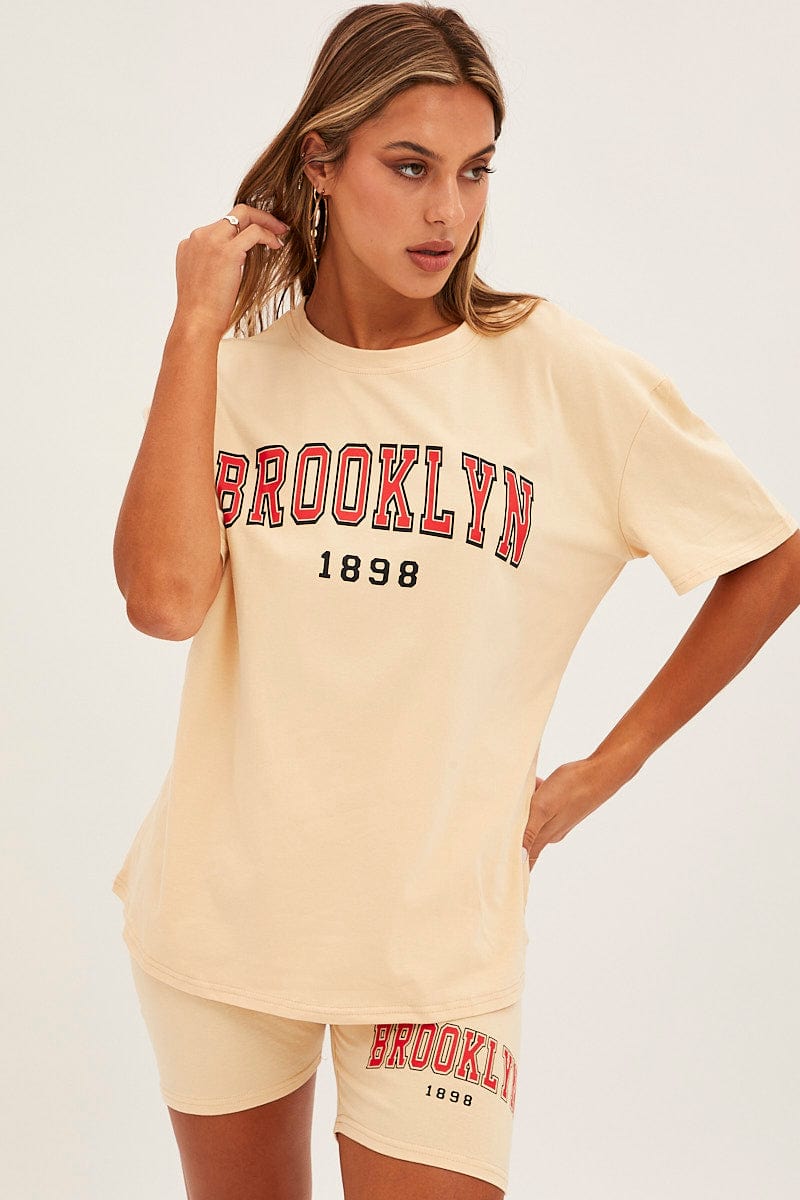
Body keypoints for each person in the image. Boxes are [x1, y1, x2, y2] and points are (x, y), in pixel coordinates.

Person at [110, 4, 800, 1198]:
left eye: (474, 171)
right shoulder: (232, 372)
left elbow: (766, 555)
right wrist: (193, 325)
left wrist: (604, 769)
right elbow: (164, 604)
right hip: (220, 919)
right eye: (409, 167)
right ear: (319, 160)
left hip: (438, 945)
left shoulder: (549, 370)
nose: (447, 212)